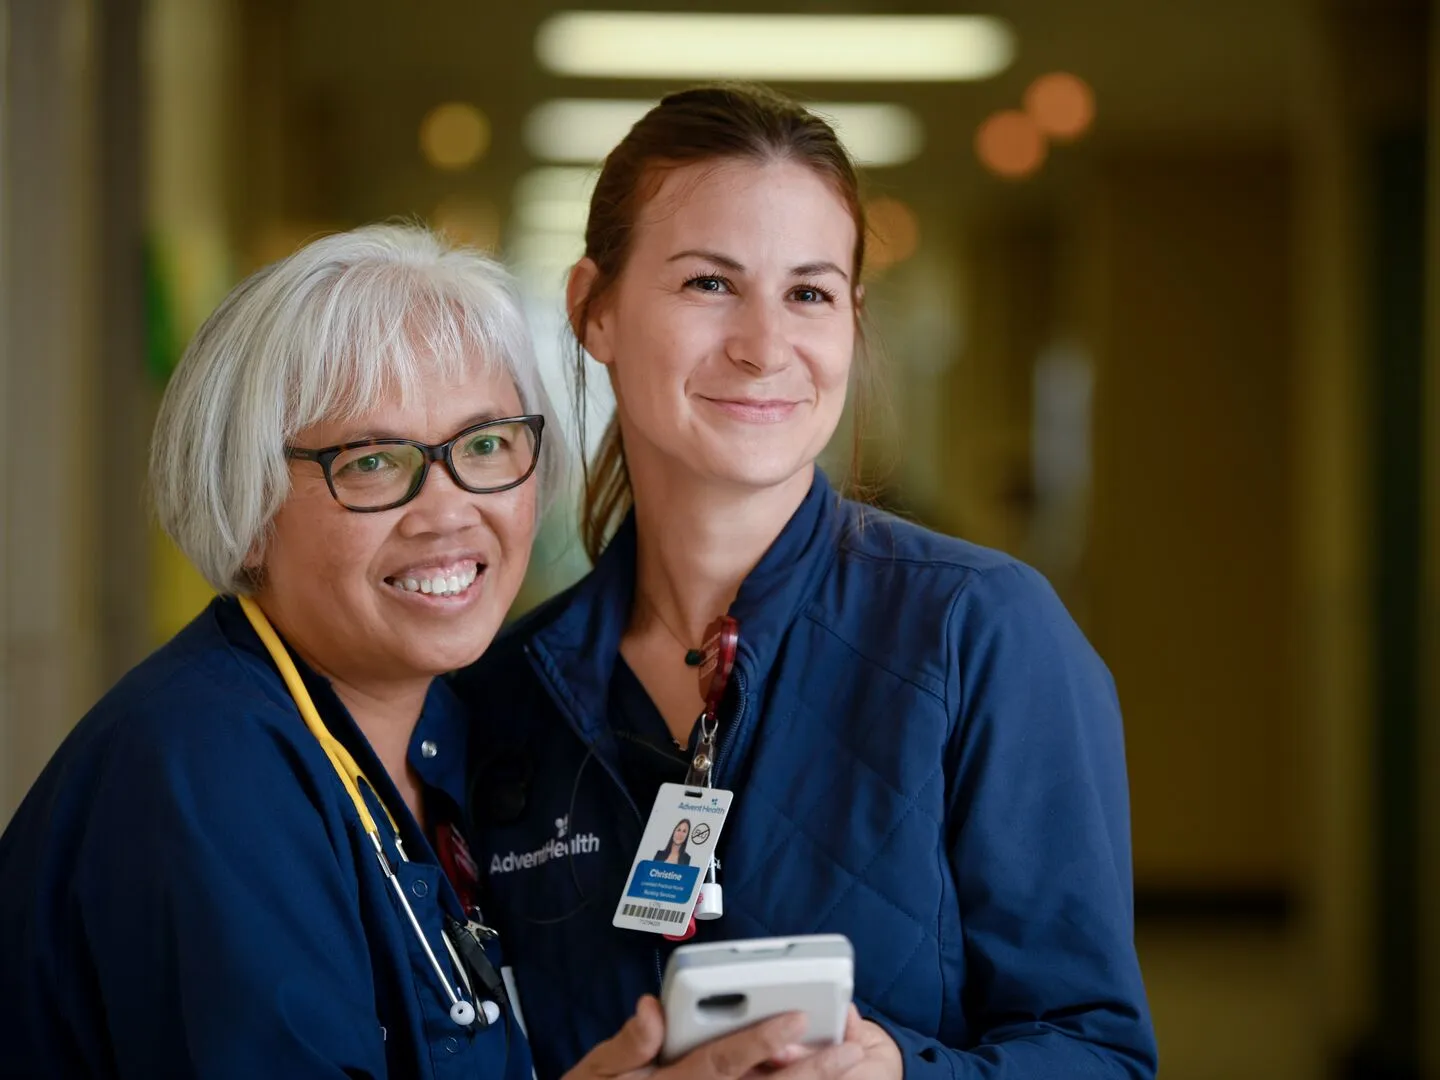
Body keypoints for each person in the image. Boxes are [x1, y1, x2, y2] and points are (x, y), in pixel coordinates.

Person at [0, 223, 866, 1080]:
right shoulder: (205, 769)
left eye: (486, 445)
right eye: (373, 462)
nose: (448, 512)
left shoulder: (448, 732)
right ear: (249, 499)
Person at [458, 84, 1159, 1080]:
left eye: (809, 292)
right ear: (592, 309)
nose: (765, 345)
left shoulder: (980, 637)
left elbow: (1100, 1052)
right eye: (709, 284)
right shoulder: (501, 700)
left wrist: (903, 1074)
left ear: (851, 320)